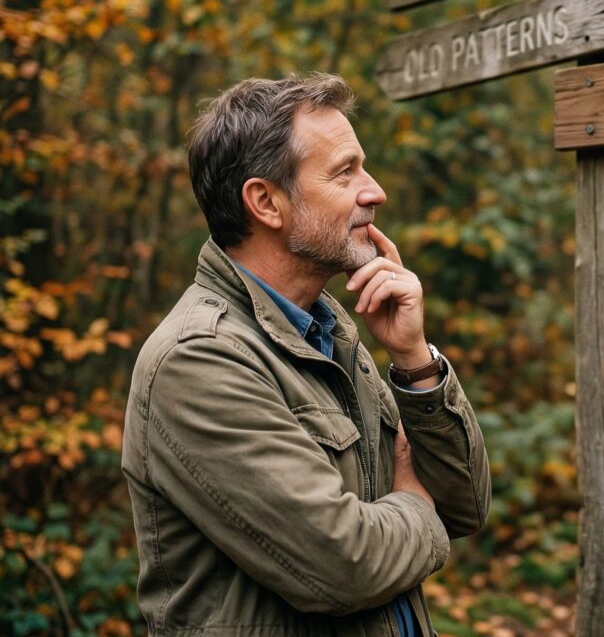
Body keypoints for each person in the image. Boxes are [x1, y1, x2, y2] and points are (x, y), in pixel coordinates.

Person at [121, 73, 491, 636]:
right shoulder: (199, 359)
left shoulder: (332, 328)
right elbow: (345, 568)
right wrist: (416, 503)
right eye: (345, 172)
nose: (375, 191)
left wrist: (414, 361)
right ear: (266, 202)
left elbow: (464, 506)